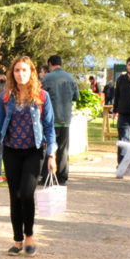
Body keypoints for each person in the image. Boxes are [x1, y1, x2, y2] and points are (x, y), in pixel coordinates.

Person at [0, 55, 55, 257]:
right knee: (14, 196)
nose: (20, 74)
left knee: (26, 193)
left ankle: (30, 235)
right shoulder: (7, 97)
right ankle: (17, 240)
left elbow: (49, 127)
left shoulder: (42, 96)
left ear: (31, 72)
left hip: (34, 151)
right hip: (11, 150)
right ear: (12, 74)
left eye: (24, 70)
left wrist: (51, 154)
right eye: (17, 70)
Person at [40, 55, 80, 186]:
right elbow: (76, 96)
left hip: (51, 118)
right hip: (65, 118)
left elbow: (40, 96)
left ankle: (46, 175)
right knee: (63, 148)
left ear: (50, 64)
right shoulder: (70, 77)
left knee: (48, 147)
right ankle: (62, 177)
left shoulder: (46, 78)